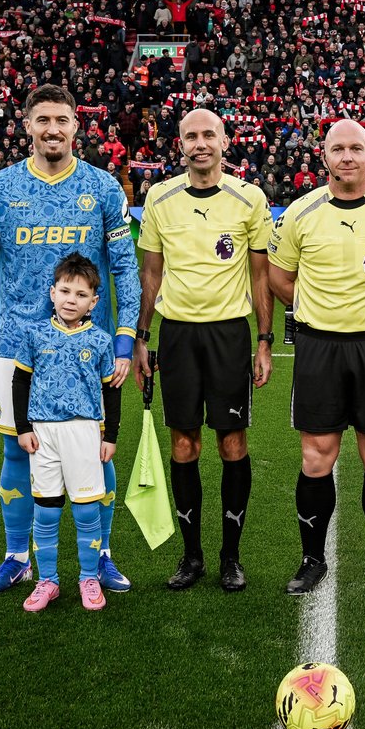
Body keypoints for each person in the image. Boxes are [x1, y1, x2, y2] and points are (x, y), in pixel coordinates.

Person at [0, 84, 140, 596]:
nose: (53, 129)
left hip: (86, 347)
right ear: (26, 125)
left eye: (63, 120)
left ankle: (101, 557)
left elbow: (124, 267)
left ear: (77, 126)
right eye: (43, 120)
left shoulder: (103, 188)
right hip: (18, 345)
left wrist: (123, 338)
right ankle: (17, 558)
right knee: (16, 451)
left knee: (98, 450)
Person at [269, 119, 365, 595]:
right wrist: (322, 312)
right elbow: (280, 279)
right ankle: (311, 559)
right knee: (317, 456)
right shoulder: (299, 213)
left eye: (356, 148)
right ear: (323, 156)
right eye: (337, 149)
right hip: (320, 348)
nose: (347, 157)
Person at [135, 109, 274, 593]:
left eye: (208, 135)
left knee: (232, 443)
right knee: (183, 443)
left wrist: (263, 340)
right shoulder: (159, 197)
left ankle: (230, 557)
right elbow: (150, 274)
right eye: (191, 136)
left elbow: (261, 276)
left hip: (229, 336)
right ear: (180, 145)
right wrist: (142, 337)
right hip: (178, 336)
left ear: (224, 141)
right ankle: (191, 556)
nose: (200, 143)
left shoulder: (248, 198)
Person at [12, 254, 122, 612]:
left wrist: (110, 436)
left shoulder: (102, 340)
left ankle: (88, 578)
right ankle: (48, 581)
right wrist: (23, 428)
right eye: (64, 291)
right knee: (45, 510)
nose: (71, 299)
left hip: (84, 431)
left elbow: (111, 391)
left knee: (86, 509)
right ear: (52, 293)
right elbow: (20, 381)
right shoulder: (34, 334)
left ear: (94, 301)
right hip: (42, 433)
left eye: (80, 294)